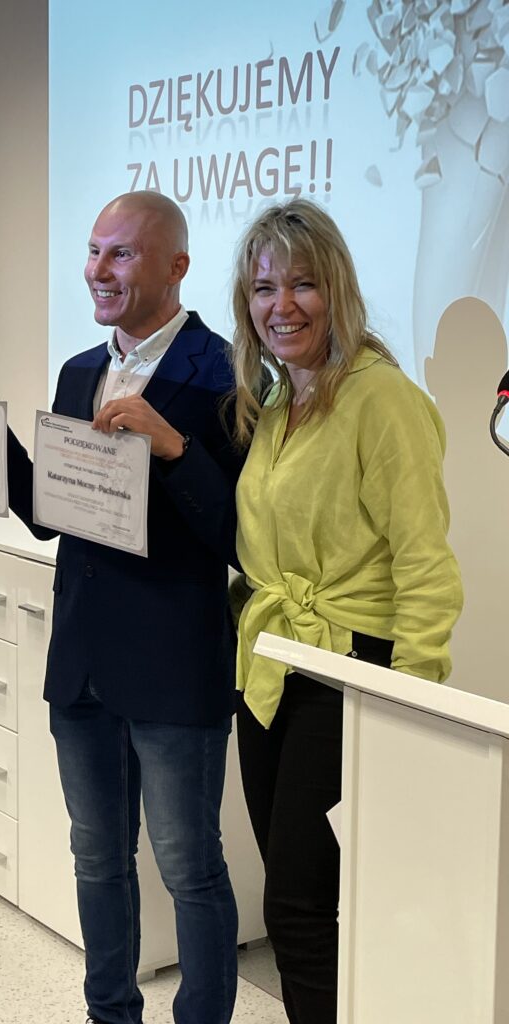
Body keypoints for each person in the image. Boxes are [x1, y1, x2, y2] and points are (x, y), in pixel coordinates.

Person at [0, 191, 249, 1024]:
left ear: (176, 266)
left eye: (121, 253)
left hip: (174, 665)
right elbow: (54, 515)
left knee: (190, 868)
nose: (97, 270)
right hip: (81, 663)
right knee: (96, 858)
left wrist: (174, 448)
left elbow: (240, 536)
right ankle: (109, 1013)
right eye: (93, 250)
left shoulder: (225, 374)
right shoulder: (81, 370)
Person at [229, 198, 463, 1024]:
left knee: (298, 910)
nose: (281, 305)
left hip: (350, 672)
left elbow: (426, 565)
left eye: (303, 285)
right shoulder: (274, 405)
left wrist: (412, 706)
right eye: (264, 288)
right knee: (293, 902)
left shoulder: (382, 398)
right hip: (271, 669)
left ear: (338, 290)